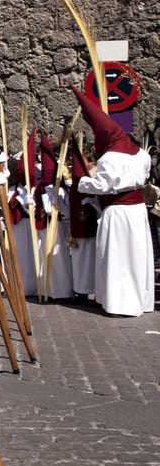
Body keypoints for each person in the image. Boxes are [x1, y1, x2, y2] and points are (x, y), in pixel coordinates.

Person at [72, 87, 155, 317]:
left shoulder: (109, 158)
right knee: (136, 255)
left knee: (117, 256)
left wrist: (81, 183)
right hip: (137, 212)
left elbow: (103, 186)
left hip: (118, 212)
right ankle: (140, 299)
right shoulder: (141, 155)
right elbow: (143, 179)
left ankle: (119, 303)